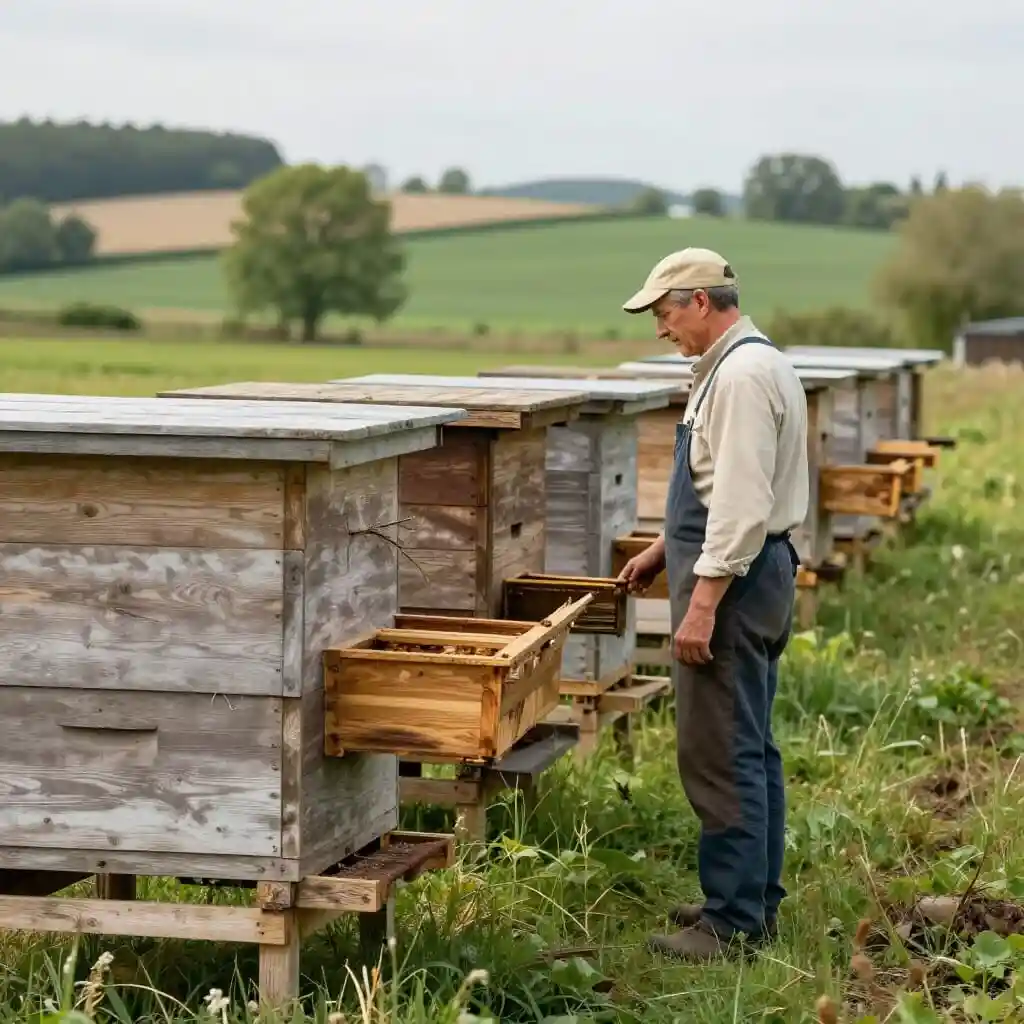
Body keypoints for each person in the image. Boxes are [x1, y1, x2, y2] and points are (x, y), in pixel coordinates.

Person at [616, 247, 809, 961]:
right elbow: (721, 483)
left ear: (701, 301)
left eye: (664, 313)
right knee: (749, 746)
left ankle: (731, 926)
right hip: (753, 570)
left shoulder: (742, 376)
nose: (661, 329)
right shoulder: (743, 365)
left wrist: (701, 604)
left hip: (736, 583)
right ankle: (748, 899)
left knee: (721, 753)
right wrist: (664, 549)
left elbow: (741, 500)